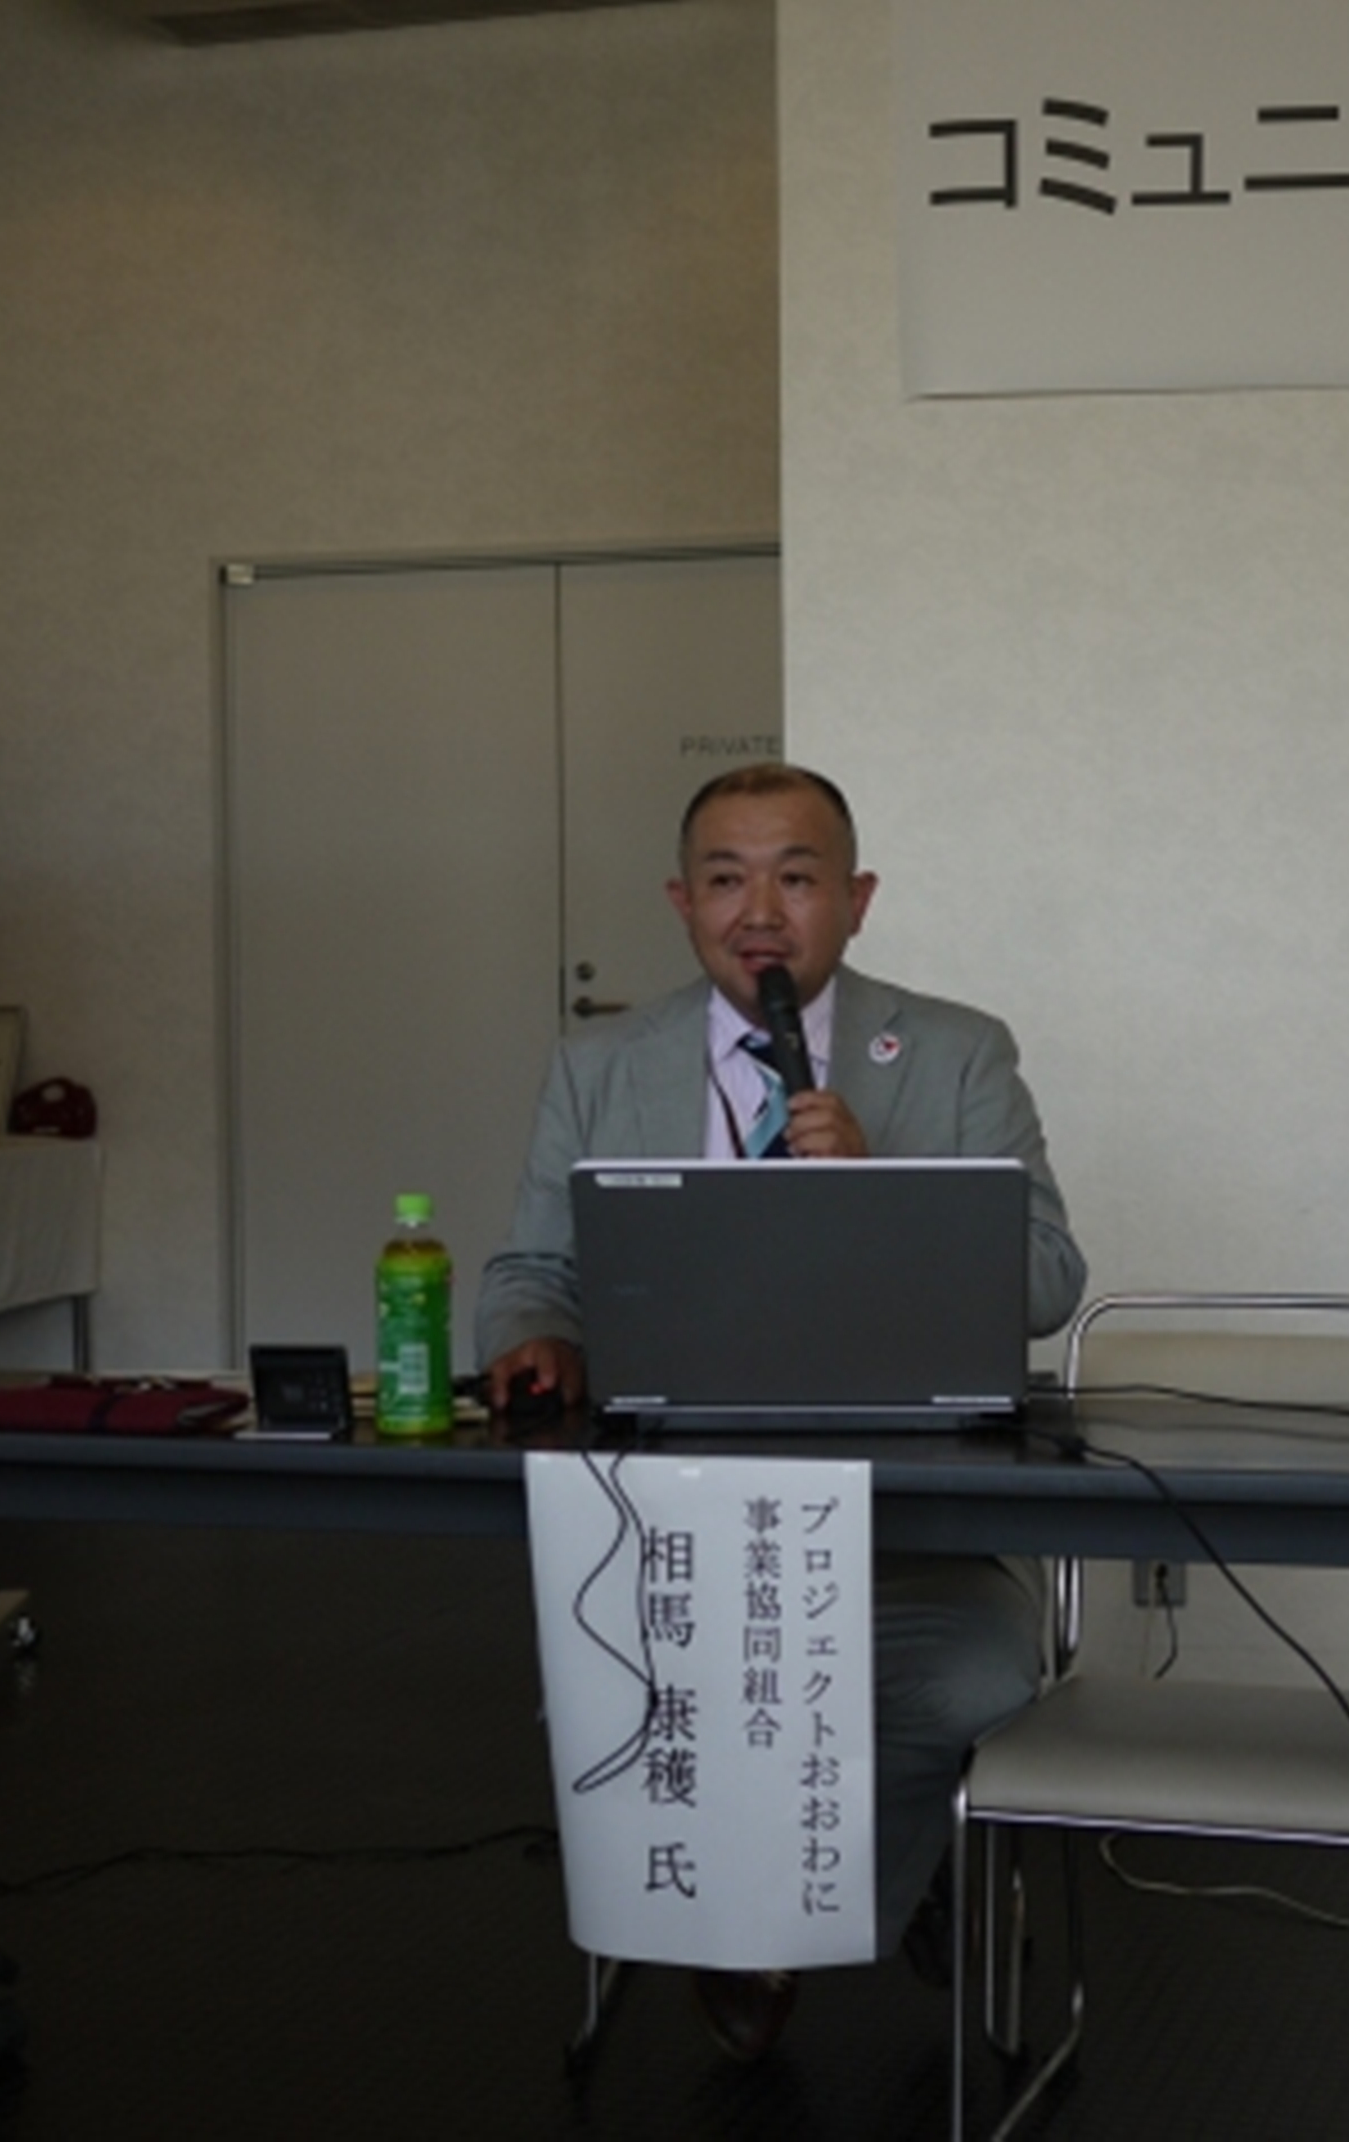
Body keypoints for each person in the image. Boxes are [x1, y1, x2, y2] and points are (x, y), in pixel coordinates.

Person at [476, 761, 1086, 2059]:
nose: (760, 912)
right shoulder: (600, 1063)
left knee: (976, 1681)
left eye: (797, 878)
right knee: (628, 1682)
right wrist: (536, 1338)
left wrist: (885, 1185)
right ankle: (909, 1876)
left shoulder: (957, 1050)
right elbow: (532, 1270)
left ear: (856, 900)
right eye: (727, 879)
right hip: (672, 1524)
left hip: (910, 1526)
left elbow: (1047, 1282)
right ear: (682, 902)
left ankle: (778, 1928)